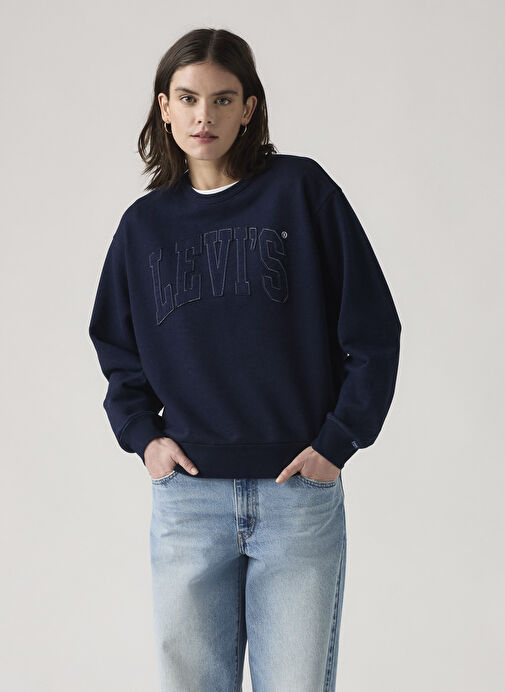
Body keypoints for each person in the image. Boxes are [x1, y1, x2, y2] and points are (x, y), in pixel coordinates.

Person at [88, 27, 401, 692]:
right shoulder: (144, 227)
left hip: (296, 495)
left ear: (249, 108)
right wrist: (144, 438)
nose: (204, 116)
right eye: (188, 98)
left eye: (223, 99)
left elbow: (373, 330)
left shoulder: (301, 191)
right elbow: (117, 349)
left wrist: (337, 442)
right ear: (164, 107)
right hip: (188, 501)